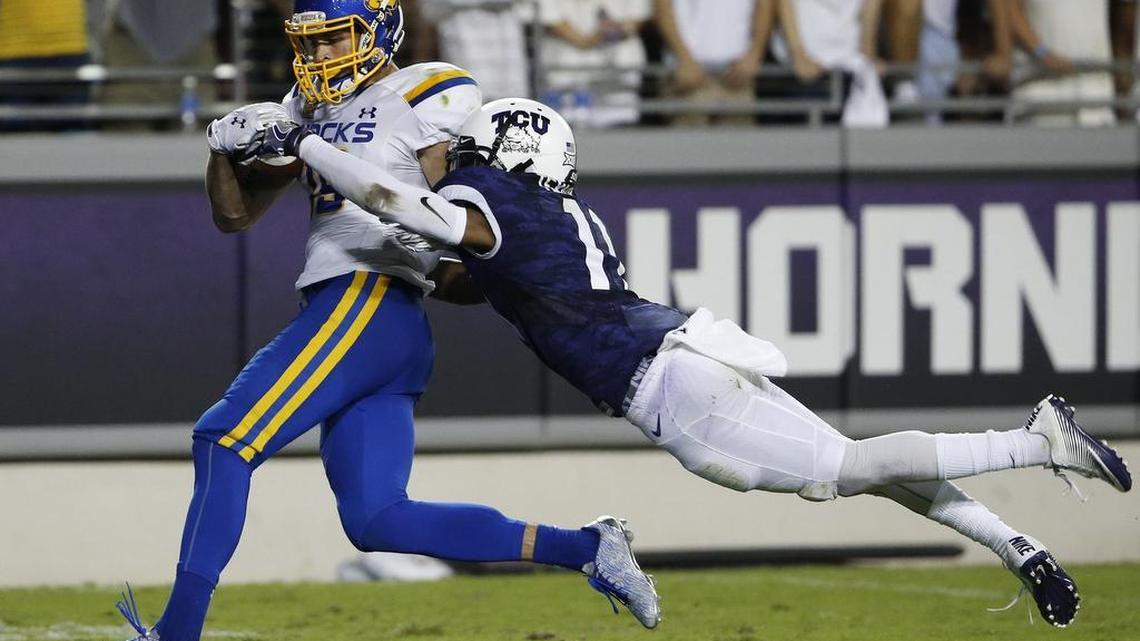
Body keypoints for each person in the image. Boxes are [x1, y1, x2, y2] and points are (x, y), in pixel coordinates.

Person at [244, 96, 1134, 629]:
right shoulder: (554, 212)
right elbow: (487, 278)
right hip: (685, 350)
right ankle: (1017, 543)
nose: (460, 156)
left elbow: (399, 200)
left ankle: (1035, 439)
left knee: (847, 469)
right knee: (868, 468)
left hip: (668, 386)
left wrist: (306, 142)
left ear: (506, 151)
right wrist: (432, 276)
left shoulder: (495, 193)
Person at [116, 4, 659, 640]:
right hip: (375, 323)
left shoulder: (428, 92)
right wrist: (219, 148)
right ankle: (588, 547)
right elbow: (235, 216)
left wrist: (508, 272)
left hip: (367, 301)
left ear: (379, 30)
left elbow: (465, 219)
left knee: (223, 438)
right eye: (310, 44)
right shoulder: (306, 108)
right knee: (379, 520)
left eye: (334, 39)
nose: (319, 58)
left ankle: (176, 634)